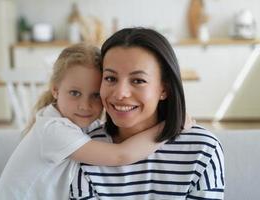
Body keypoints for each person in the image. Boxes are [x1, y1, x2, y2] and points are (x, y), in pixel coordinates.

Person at [0, 43, 167, 200]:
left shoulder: (81, 124)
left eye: (95, 95)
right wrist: (168, 126)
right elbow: (120, 155)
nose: (85, 106)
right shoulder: (53, 129)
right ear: (56, 90)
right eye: (75, 93)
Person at [70, 28, 225, 200]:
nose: (120, 93)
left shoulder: (203, 150)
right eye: (110, 78)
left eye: (138, 80)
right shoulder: (83, 151)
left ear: (164, 89)